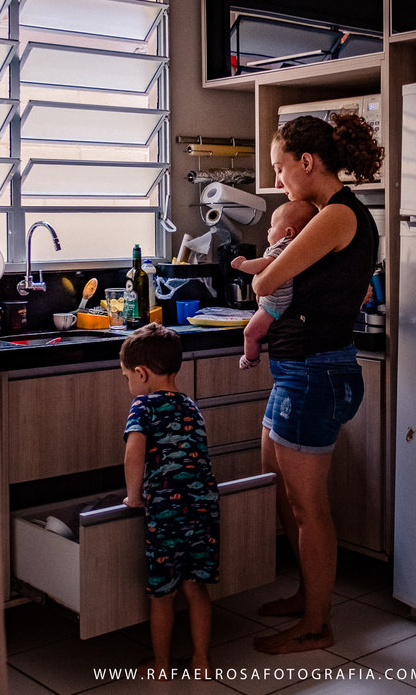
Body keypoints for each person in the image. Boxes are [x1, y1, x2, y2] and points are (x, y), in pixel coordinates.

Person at [248, 112, 383, 654]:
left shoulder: (337, 216)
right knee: (279, 485)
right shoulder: (330, 215)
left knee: (308, 506)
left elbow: (266, 280)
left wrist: (265, 268)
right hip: (298, 369)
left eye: (280, 167)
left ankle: (316, 624)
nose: (277, 179)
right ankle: (308, 595)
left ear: (307, 162)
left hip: (316, 371)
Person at [120, 323, 220, 678]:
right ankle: (201, 661)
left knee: (162, 594)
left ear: (141, 373)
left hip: (166, 511)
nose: (128, 384)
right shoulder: (191, 405)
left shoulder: (142, 406)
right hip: (204, 507)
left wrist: (134, 496)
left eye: (127, 377)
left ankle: (161, 664)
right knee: (196, 587)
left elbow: (134, 455)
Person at [230, 199, 318, 370]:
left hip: (274, 306)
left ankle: (250, 359)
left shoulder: (283, 246)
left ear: (289, 232)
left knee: (250, 333)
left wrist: (243, 265)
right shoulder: (293, 247)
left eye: (272, 226)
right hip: (277, 304)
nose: (268, 230)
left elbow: (263, 265)